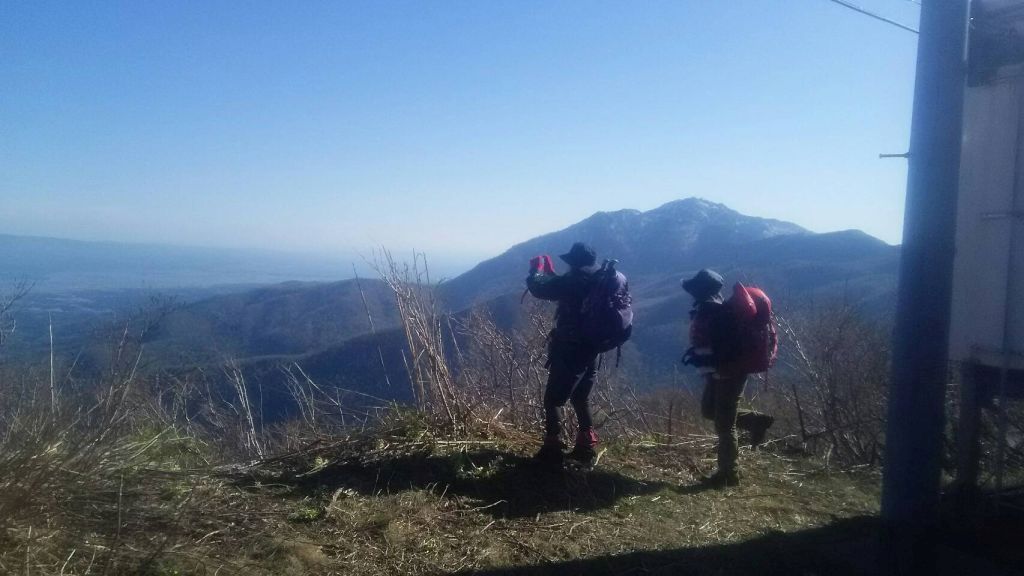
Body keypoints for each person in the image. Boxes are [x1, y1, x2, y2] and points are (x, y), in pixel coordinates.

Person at [682, 269, 773, 488]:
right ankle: (755, 421)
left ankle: (728, 474)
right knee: (709, 411)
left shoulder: (718, 315)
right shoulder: (713, 309)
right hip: (718, 371)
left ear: (701, 291)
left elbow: (726, 350)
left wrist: (703, 359)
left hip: (729, 372)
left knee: (725, 424)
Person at [526, 242, 602, 468]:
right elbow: (561, 285)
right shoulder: (597, 278)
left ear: (574, 262)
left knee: (553, 400)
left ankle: (552, 447)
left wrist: (535, 271)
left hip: (570, 348)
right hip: (591, 348)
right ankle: (585, 446)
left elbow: (540, 288)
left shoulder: (575, 279)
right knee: (580, 397)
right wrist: (550, 274)